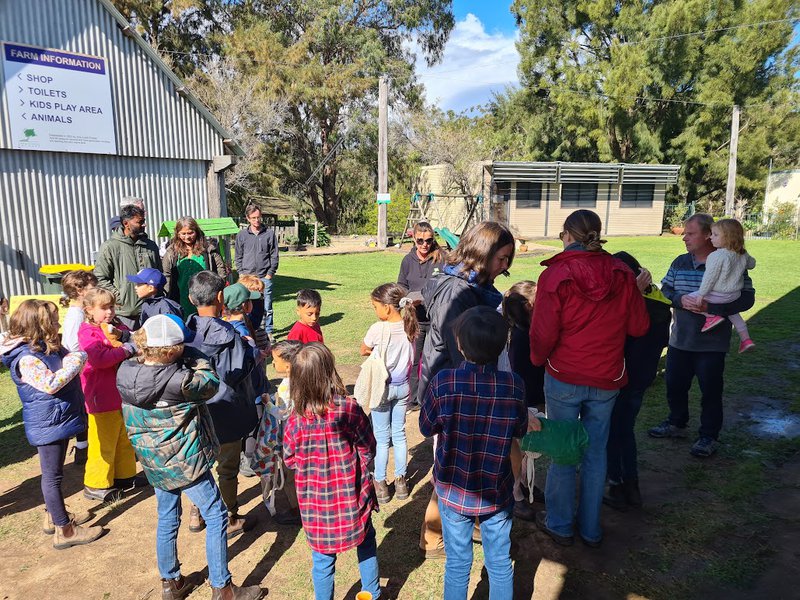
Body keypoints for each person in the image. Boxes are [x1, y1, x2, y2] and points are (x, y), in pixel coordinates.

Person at [118, 315, 263, 600]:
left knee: (168, 516)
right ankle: (222, 588)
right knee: (217, 514)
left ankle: (171, 583)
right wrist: (195, 353)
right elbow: (210, 383)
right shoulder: (182, 380)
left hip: (153, 458)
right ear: (173, 350)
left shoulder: (125, 372)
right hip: (185, 460)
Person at [530, 209, 649, 548]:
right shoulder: (621, 273)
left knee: (565, 452)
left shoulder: (557, 275)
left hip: (565, 375)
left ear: (567, 235)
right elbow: (639, 326)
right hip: (607, 377)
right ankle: (591, 528)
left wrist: (539, 359)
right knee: (596, 452)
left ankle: (561, 524)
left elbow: (542, 332)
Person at [417, 220, 515, 559]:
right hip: (455, 393)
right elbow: (458, 349)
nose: (505, 267)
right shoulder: (456, 291)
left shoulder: (472, 286)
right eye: (502, 258)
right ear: (482, 253)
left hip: (465, 389)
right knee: (448, 470)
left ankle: (466, 521)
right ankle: (432, 538)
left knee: (461, 466)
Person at [419, 306, 529, 600]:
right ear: (503, 344)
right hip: (497, 488)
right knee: (500, 563)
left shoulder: (444, 382)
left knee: (457, 563)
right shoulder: (514, 385)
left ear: (459, 344)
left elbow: (426, 426)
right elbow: (519, 429)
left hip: (454, 489)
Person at [648, 213, 756, 458]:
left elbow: (747, 298)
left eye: (690, 233)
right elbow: (666, 289)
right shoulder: (680, 262)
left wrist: (713, 309)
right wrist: (679, 299)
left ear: (709, 235)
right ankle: (676, 423)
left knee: (710, 391)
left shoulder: (731, 262)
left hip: (712, 345)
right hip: (680, 341)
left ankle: (708, 436)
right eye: (684, 233)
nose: (684, 238)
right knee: (674, 386)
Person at [0, 300, 103, 550]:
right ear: (39, 325)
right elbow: (51, 384)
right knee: (52, 476)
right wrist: (75, 362)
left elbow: (68, 356)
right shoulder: (26, 359)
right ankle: (64, 531)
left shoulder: (45, 347)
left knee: (55, 473)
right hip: (48, 424)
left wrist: (71, 357)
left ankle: (54, 516)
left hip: (58, 419)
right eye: (54, 321)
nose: (58, 324)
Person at [282, 343, 380, 600]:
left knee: (323, 561)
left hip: (316, 507)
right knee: (366, 541)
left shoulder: (295, 420)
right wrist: (363, 463)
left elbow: (290, 459)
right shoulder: (349, 408)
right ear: (329, 372)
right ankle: (371, 592)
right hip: (352, 497)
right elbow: (368, 447)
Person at [185, 271, 259, 538]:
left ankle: (196, 511)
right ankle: (229, 515)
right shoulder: (229, 334)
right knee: (227, 468)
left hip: (194, 412)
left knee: (199, 465)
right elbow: (238, 371)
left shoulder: (186, 330)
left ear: (192, 298)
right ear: (220, 297)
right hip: (226, 411)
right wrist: (251, 350)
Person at [604, 252, 671, 510]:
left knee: (613, 431)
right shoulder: (659, 300)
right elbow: (663, 340)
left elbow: (613, 329)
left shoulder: (627, 302)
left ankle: (617, 485)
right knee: (625, 430)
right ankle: (632, 486)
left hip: (620, 378)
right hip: (642, 378)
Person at [78, 288, 140, 502]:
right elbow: (99, 359)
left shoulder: (116, 326)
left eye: (112, 307)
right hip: (100, 394)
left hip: (119, 392)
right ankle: (96, 484)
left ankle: (124, 475)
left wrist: (127, 340)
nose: (110, 312)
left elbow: (130, 337)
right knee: (102, 441)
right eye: (104, 308)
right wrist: (126, 350)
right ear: (89, 310)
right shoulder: (87, 332)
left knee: (123, 436)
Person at [360, 282, 418, 504]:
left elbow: (363, 349)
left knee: (382, 439)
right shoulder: (409, 325)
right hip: (403, 387)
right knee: (400, 434)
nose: (375, 311)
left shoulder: (378, 329)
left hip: (382, 389)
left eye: (375, 306)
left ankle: (381, 484)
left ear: (386, 307)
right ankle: (401, 480)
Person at [500, 281, 546, 520]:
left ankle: (527, 485)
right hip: (523, 401)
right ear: (529, 306)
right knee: (518, 450)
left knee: (530, 449)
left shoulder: (528, 330)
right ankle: (515, 494)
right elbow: (517, 374)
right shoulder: (519, 336)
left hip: (535, 398)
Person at [687, 218, 757, 353]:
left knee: (690, 299)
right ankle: (746, 340)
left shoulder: (716, 256)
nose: (711, 237)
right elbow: (752, 264)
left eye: (715, 235)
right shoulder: (741, 253)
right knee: (734, 315)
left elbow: (710, 278)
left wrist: (701, 294)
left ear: (728, 237)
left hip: (719, 294)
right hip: (734, 295)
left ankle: (711, 316)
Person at [222, 282, 269, 479]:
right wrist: (259, 353)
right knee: (253, 426)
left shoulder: (227, 325)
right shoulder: (241, 332)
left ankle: (245, 455)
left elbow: (257, 313)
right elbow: (249, 357)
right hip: (252, 391)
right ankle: (249, 460)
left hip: (241, 392)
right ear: (245, 306)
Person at [397, 221, 446, 410]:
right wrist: (408, 298)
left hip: (436, 318)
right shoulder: (407, 260)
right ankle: (413, 399)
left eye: (428, 240)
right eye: (420, 241)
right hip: (414, 318)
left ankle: (430, 399)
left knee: (432, 360)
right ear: (414, 239)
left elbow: (446, 284)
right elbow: (401, 284)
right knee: (414, 359)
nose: (424, 245)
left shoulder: (440, 258)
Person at [94, 203, 161, 330]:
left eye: (144, 221)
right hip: (124, 316)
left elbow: (159, 274)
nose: (144, 225)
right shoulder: (110, 247)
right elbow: (100, 278)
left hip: (151, 311)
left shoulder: (151, 246)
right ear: (126, 224)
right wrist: (120, 297)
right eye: (139, 222)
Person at [259, 340, 303, 525]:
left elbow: (282, 414)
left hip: (289, 437)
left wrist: (268, 403)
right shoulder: (302, 379)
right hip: (303, 434)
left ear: (287, 364)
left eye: (275, 360)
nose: (273, 363)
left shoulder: (286, 386)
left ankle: (297, 511)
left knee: (290, 475)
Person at [60, 269, 98, 465]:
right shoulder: (76, 315)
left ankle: (83, 448)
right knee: (87, 409)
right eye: (93, 287)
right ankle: (84, 450)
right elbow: (72, 345)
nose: (96, 290)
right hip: (83, 369)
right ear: (80, 290)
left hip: (83, 367)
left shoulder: (79, 312)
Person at [162, 217, 228, 318]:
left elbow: (220, 268)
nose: (187, 237)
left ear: (196, 231)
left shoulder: (208, 249)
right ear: (178, 234)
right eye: (183, 234)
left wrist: (218, 288)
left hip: (205, 296)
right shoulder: (172, 252)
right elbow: (166, 274)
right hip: (181, 296)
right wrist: (166, 295)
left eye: (190, 233)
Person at [234, 204, 279, 338]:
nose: (257, 220)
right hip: (246, 278)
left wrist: (270, 273)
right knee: (246, 305)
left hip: (264, 277)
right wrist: (241, 272)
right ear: (248, 218)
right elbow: (238, 255)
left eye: (258, 217)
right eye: (253, 218)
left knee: (267, 306)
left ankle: (268, 332)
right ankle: (249, 330)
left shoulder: (269, 234)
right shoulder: (242, 235)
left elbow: (274, 255)